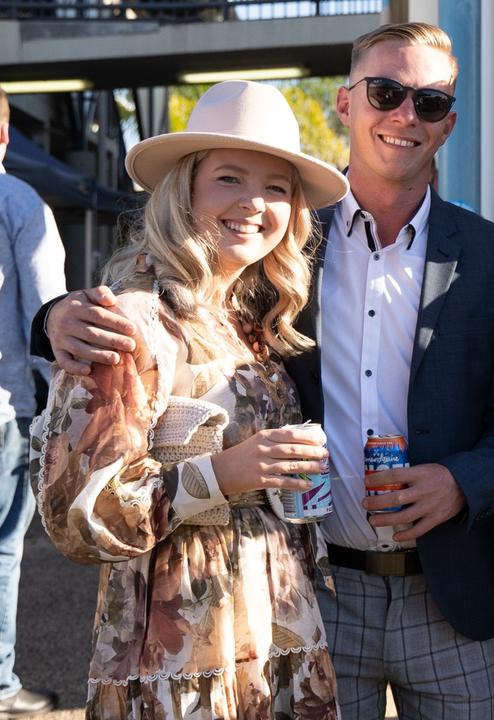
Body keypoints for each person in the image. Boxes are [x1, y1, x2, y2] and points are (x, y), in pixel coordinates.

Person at [36, 22, 494, 719]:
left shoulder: (482, 257)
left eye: (427, 102)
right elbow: (151, 319)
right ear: (346, 103)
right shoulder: (287, 249)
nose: (404, 114)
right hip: (317, 598)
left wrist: (463, 482)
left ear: (448, 122)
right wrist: (57, 315)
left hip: (405, 597)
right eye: (387, 92)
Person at [30, 80, 349, 717]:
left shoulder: (252, 323)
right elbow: (77, 517)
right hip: (180, 671)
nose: (254, 202)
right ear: (185, 190)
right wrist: (225, 473)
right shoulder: (133, 323)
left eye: (276, 187)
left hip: (274, 642)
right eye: (230, 178)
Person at [0, 87, 62, 718]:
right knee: (1, 546)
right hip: (1, 408)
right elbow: (49, 318)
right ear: (4, 138)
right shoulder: (18, 203)